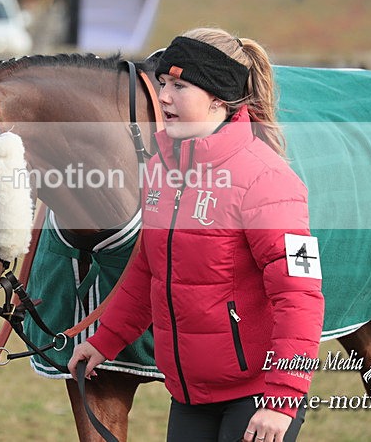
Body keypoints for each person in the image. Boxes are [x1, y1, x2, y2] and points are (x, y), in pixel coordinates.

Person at [68, 27, 325, 442]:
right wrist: (105, 341)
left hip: (259, 398)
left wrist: (282, 399)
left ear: (219, 100)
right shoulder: (159, 170)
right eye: (163, 83)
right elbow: (146, 272)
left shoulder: (268, 179)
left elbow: (300, 297)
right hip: (189, 395)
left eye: (180, 85)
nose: (163, 96)